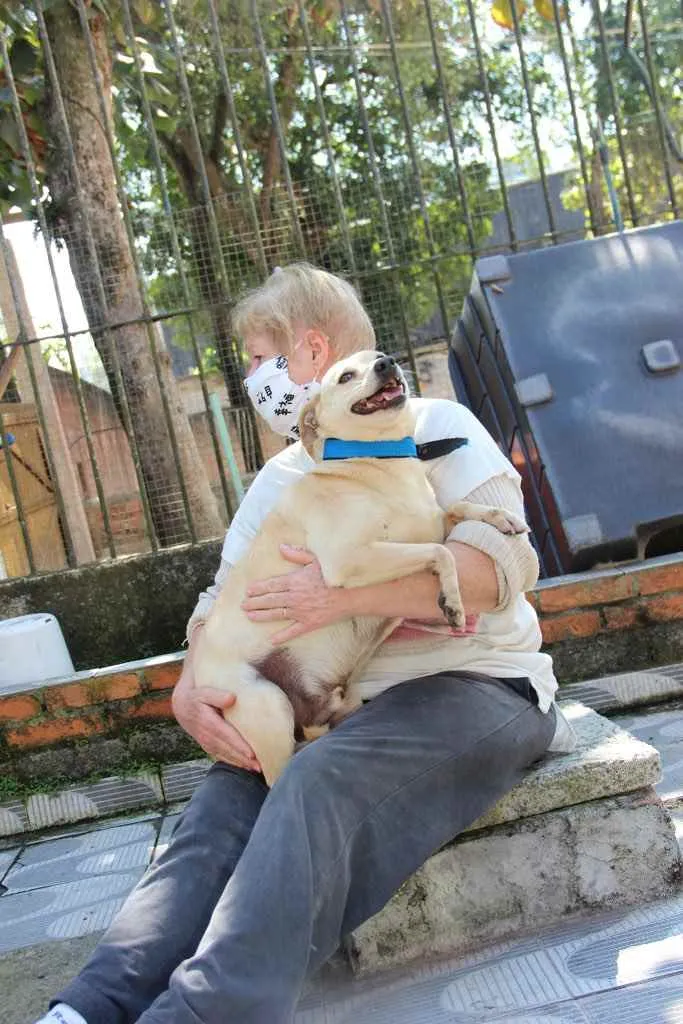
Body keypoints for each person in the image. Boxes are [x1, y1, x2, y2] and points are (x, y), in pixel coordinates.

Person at [37, 264, 574, 1024]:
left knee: (315, 782)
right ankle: (84, 1012)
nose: (253, 378)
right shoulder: (284, 477)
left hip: (474, 686)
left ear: (311, 350)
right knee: (215, 817)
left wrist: (346, 597)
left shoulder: (435, 428)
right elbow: (215, 607)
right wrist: (193, 687)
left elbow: (505, 568)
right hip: (317, 703)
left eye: (261, 359)